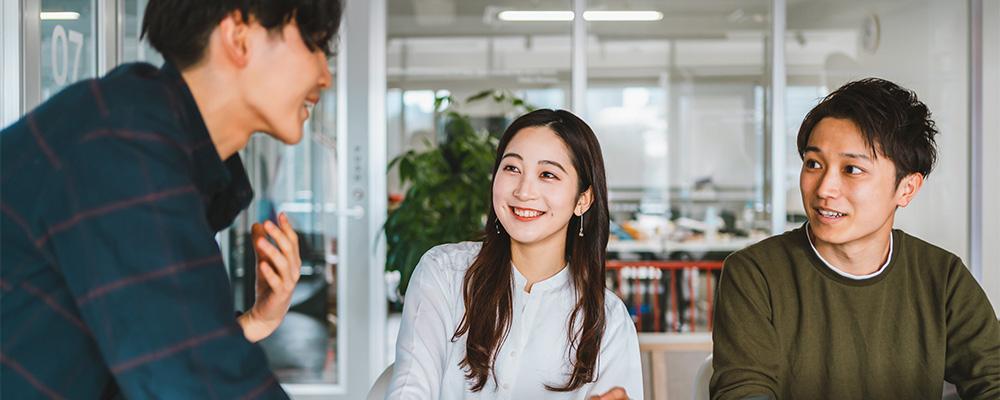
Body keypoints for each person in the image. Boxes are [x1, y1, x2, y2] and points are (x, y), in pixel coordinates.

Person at [0, 0, 343, 398]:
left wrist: (253, 324)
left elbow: (148, 354)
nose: (325, 76)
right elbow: (197, 383)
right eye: (314, 44)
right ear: (238, 35)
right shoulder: (121, 142)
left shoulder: (151, 139)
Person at [710, 78, 1000, 399]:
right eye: (814, 164)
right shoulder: (755, 273)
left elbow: (992, 378)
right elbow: (744, 390)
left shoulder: (942, 277)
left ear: (907, 189)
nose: (824, 189)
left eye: (852, 169)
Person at [386, 109, 643, 399]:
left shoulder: (608, 319)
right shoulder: (444, 273)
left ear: (583, 200)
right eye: (512, 168)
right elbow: (409, 390)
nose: (524, 191)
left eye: (547, 174)